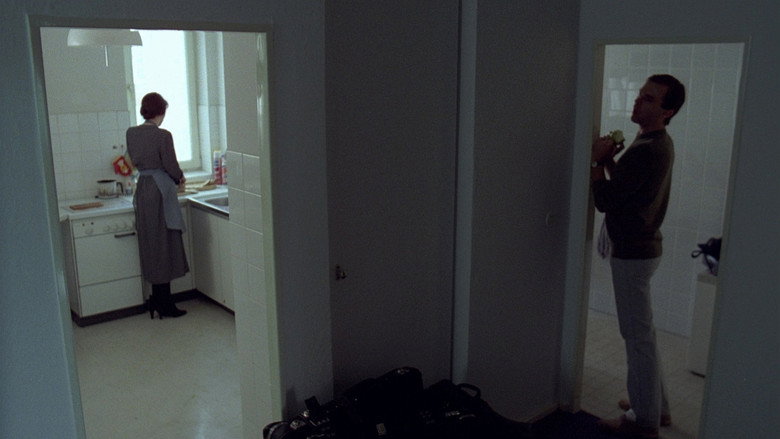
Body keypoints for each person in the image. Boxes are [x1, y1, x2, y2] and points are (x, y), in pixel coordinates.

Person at [590, 74, 686, 438]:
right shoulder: (654, 141)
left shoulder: (649, 149)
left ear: (667, 111)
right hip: (643, 248)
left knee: (637, 338)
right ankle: (656, 409)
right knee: (643, 335)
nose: (637, 101)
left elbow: (607, 201)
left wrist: (596, 163)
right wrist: (610, 162)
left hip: (632, 253)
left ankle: (643, 422)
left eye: (649, 99)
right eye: (640, 94)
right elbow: (628, 190)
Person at [126, 92, 189, 319]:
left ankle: (156, 298)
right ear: (161, 112)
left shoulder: (131, 133)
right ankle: (165, 303)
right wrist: (180, 178)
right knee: (165, 243)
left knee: (151, 243)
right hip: (160, 191)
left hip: (143, 188)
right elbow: (170, 165)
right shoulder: (163, 135)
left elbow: (133, 161)